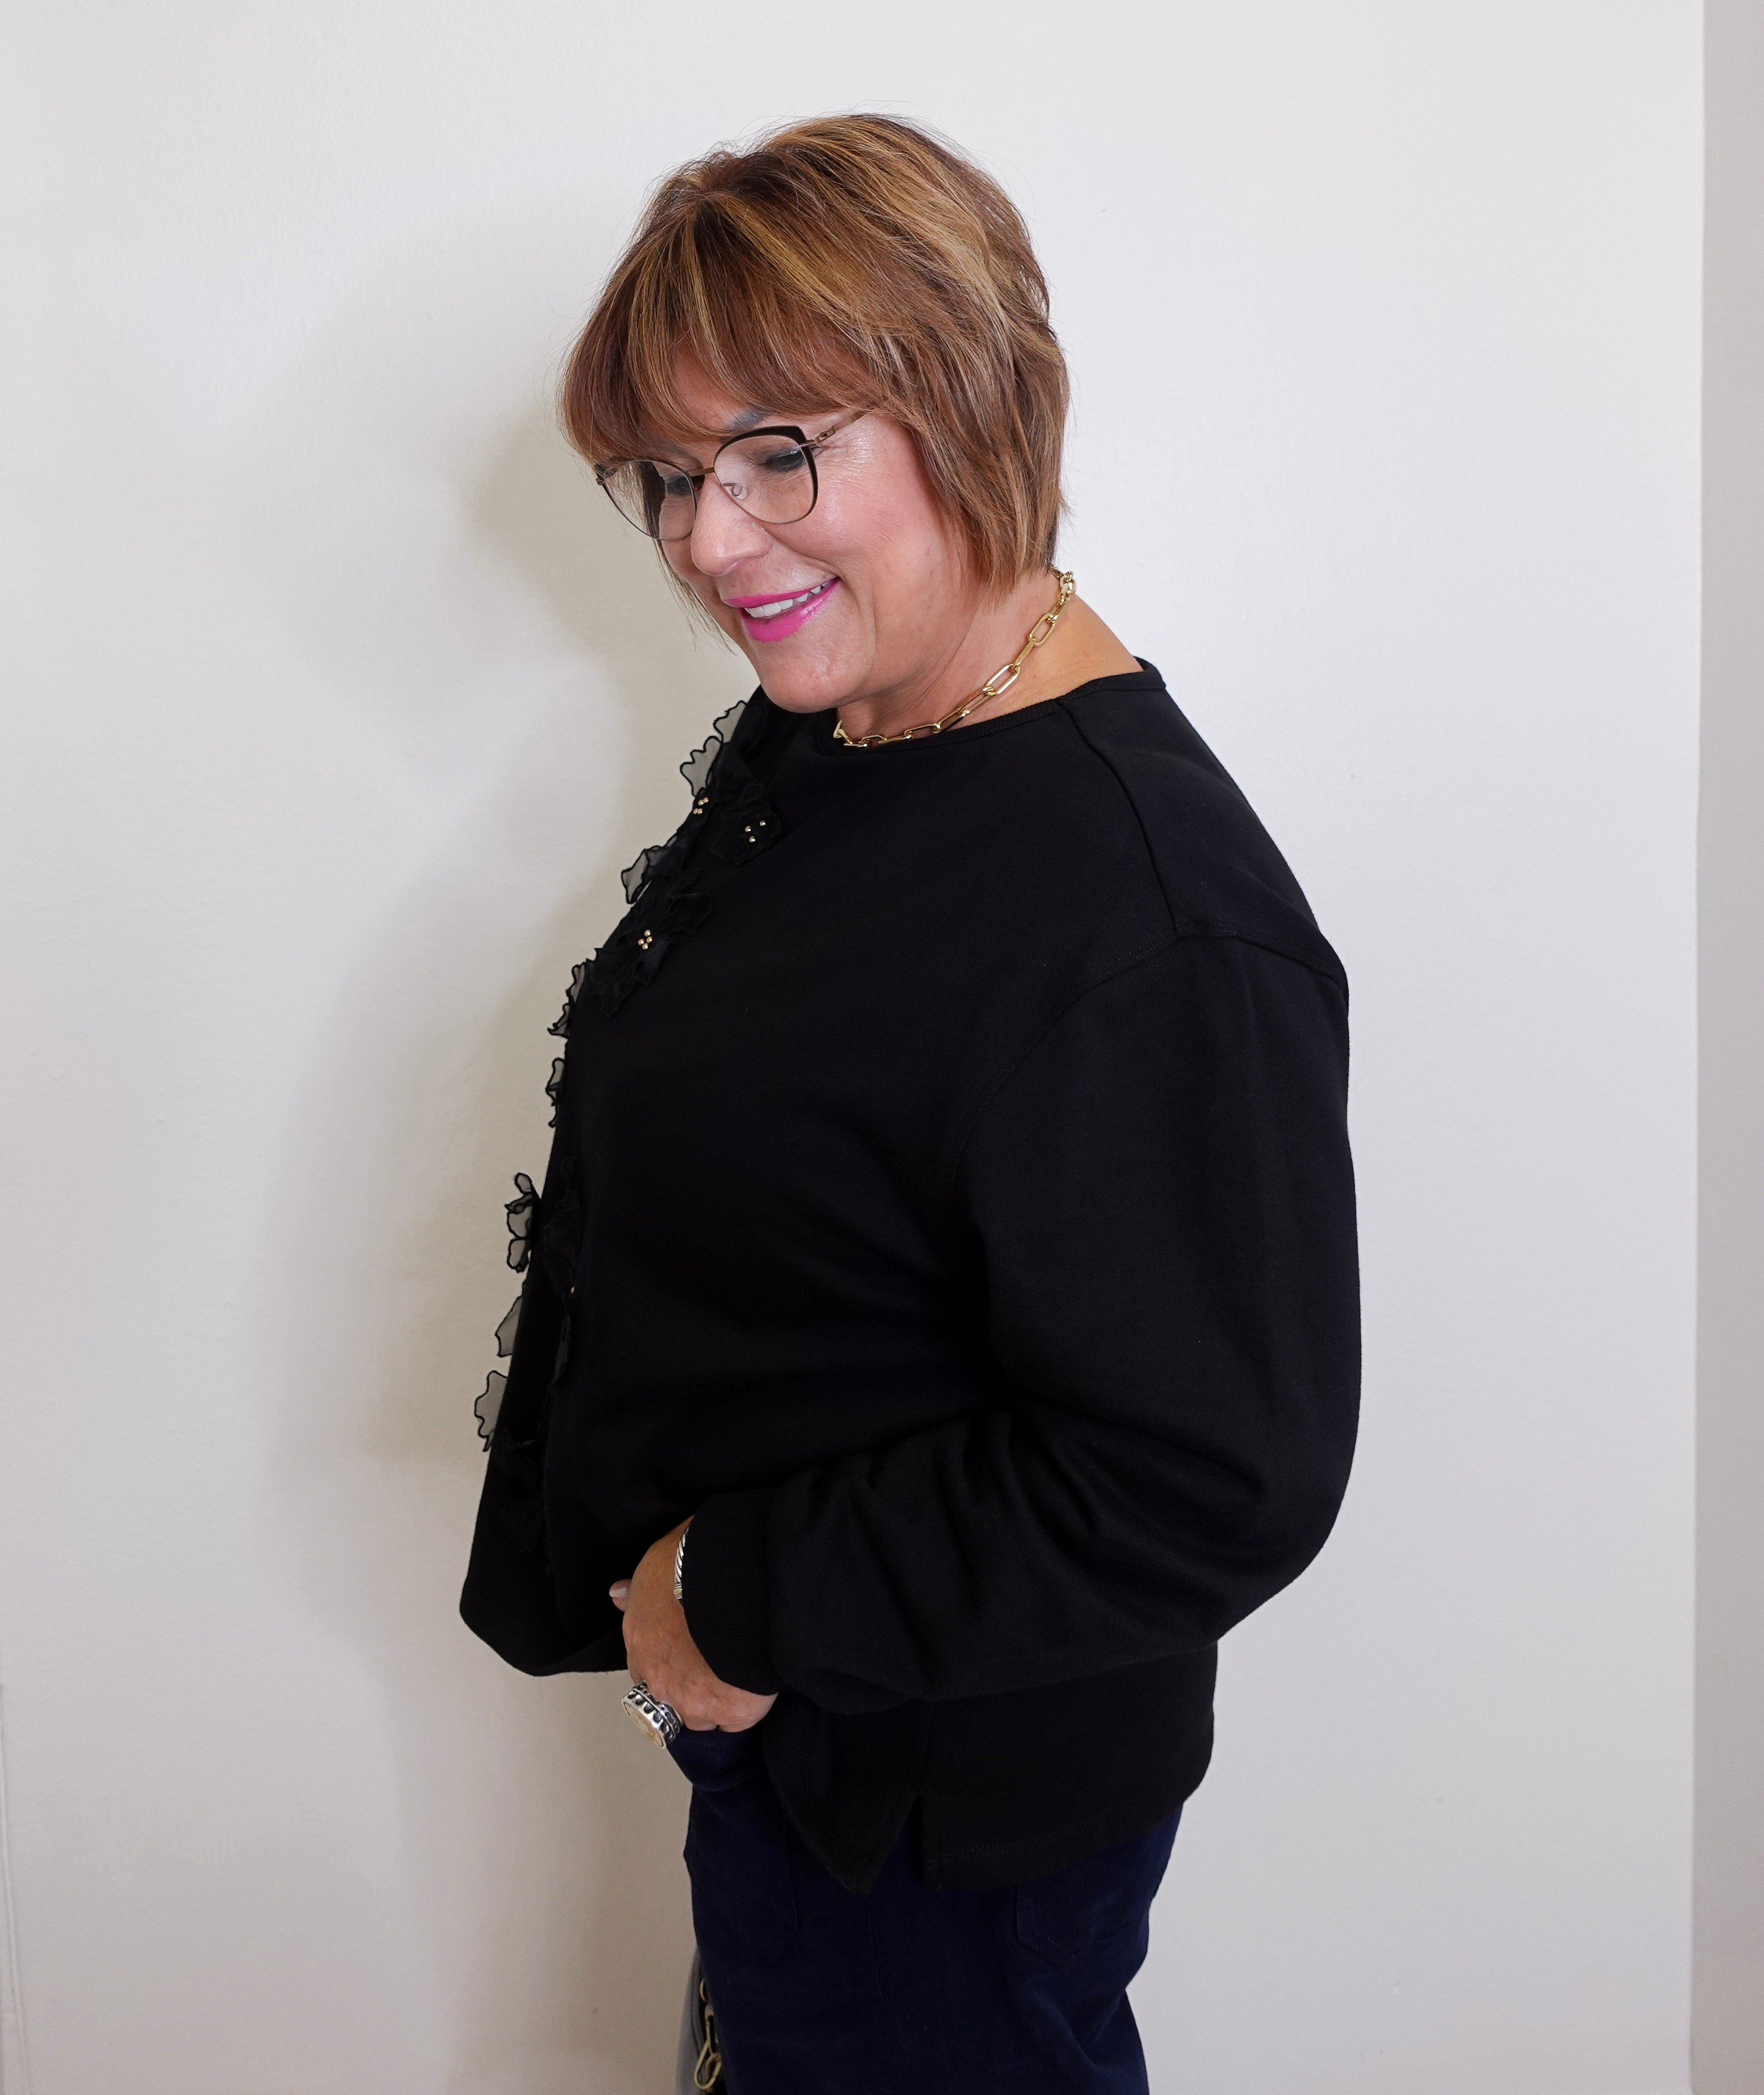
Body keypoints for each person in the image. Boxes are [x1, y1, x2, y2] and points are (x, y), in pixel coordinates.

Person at [461, 114, 1360, 2094]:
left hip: (938, 1845)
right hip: (804, 1774)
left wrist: (729, 1593)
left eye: (780, 450)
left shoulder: (1149, 920)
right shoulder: (868, 724)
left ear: (973, 400)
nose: (710, 541)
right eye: (673, 474)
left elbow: (1210, 1476)